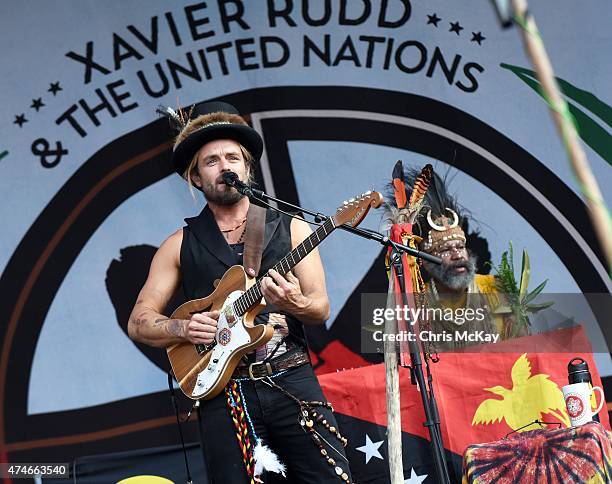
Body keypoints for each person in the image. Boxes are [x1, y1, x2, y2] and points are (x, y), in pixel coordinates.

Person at [127, 101, 352, 483]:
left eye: (233, 157)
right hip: (223, 392)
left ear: (247, 169)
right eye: (211, 160)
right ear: (196, 178)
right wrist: (181, 329)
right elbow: (139, 321)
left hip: (291, 380)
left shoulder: (292, 227)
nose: (224, 166)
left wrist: (295, 302)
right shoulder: (179, 244)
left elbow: (320, 308)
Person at [400, 169, 529, 351]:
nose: (457, 255)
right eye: (445, 250)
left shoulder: (495, 289)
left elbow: (524, 348)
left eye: (460, 247)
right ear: (427, 262)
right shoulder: (418, 304)